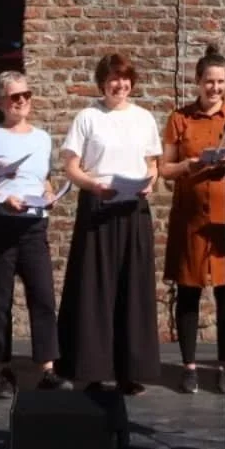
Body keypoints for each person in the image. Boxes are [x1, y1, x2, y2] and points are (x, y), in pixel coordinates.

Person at [56, 53, 162, 392]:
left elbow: (152, 165)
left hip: (133, 208)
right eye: (114, 79)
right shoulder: (88, 117)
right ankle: (93, 369)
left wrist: (150, 181)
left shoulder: (144, 118)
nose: (120, 85)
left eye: (125, 78)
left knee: (133, 287)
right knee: (95, 288)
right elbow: (71, 166)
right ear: (103, 81)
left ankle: (129, 370)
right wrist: (92, 185)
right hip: (98, 205)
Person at [161, 47, 225, 395]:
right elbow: (164, 169)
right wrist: (192, 164)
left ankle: (224, 366)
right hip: (190, 217)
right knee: (188, 291)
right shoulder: (180, 118)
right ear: (197, 82)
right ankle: (189, 366)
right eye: (208, 82)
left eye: (220, 82)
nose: (214, 88)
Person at [0, 67, 69, 396]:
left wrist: (49, 194)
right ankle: (2, 369)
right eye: (14, 96)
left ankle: (47, 367)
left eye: (26, 95)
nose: (22, 101)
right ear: (0, 102)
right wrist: (3, 200)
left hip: (34, 225)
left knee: (44, 297)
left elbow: (42, 177)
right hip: (2, 224)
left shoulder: (42, 138)